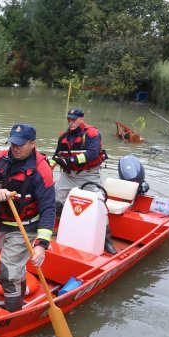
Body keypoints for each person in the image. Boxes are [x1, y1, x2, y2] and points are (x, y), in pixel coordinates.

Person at [0, 124, 56, 312]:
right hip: (2, 223)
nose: (15, 148)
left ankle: (13, 311)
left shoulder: (41, 170)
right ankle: (15, 299)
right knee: (15, 267)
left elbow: (48, 208)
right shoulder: (1, 157)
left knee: (7, 271)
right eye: (13, 143)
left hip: (25, 227)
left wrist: (41, 244)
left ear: (33, 144)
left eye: (20, 145)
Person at [51, 108, 116, 254]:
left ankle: (107, 241)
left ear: (82, 119)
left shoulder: (92, 133)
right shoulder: (63, 136)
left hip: (88, 175)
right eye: (69, 119)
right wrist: (46, 168)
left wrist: (71, 160)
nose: (71, 122)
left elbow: (92, 154)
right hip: (68, 175)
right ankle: (68, 225)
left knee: (99, 206)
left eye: (74, 119)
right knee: (55, 200)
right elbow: (55, 156)